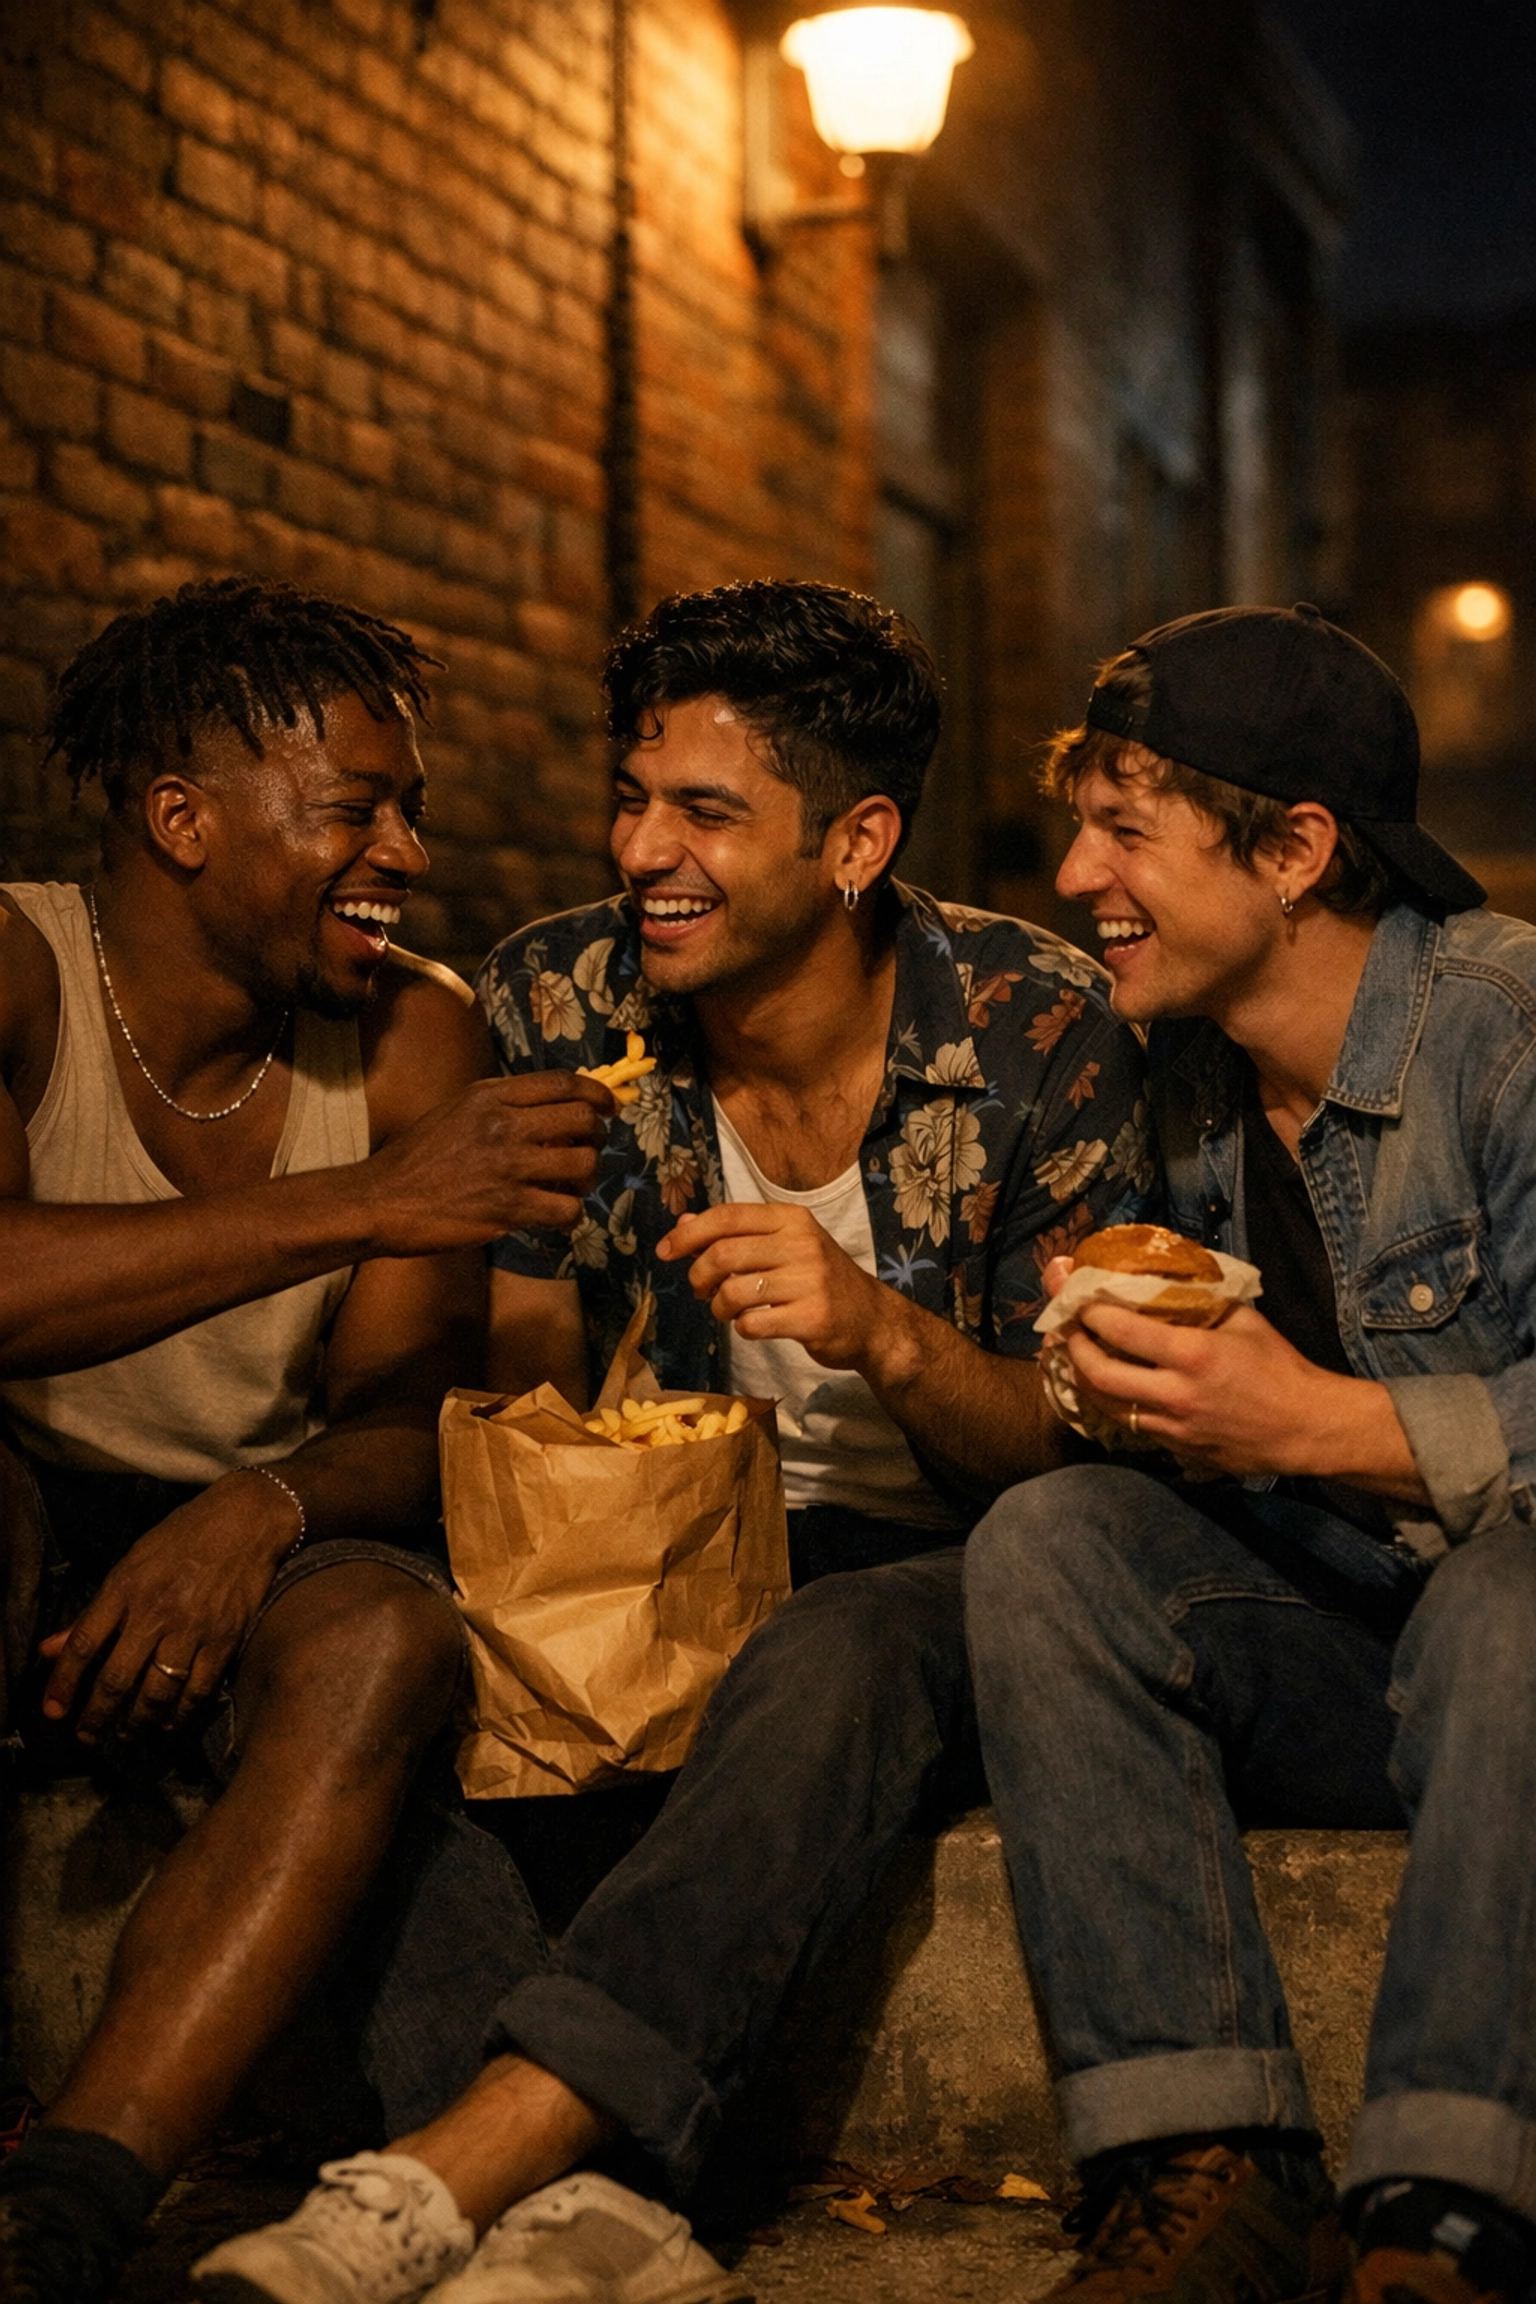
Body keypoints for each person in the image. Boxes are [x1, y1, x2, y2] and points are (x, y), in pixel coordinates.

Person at [198, 578, 1154, 2303]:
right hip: (636, 1543)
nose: (645, 848)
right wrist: (539, 1410)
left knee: (838, 1646)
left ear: (856, 840)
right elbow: (521, 1364)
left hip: (933, 1565)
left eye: (707, 812)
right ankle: (587, 2219)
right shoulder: (559, 993)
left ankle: (452, 2176)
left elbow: (1070, 1464)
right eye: (634, 797)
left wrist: (878, 1329)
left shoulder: (1032, 1024)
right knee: (373, 1643)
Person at [0, 577, 615, 2304]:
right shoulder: (18, 969)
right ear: (182, 820)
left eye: (405, 806)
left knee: (385, 1634)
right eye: (359, 806)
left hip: (263, 1525)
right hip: (22, 1504)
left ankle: (71, 2203)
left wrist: (252, 1511)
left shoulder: (416, 1029)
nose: (406, 850)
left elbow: (412, 1416)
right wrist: (365, 1199)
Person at [964, 604, 1536, 2304]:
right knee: (1052, 1543)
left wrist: (1314, 1421)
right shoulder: (1180, 1080)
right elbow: (1202, 1444)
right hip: (1357, 1646)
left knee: (1514, 1603)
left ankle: (1443, 2216)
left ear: (1294, 850)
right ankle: (1205, 2169)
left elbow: (1331, 1430)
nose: (1077, 877)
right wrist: (1115, 1374)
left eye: (1126, 828)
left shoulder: (1507, 1034)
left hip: (1508, 1667)